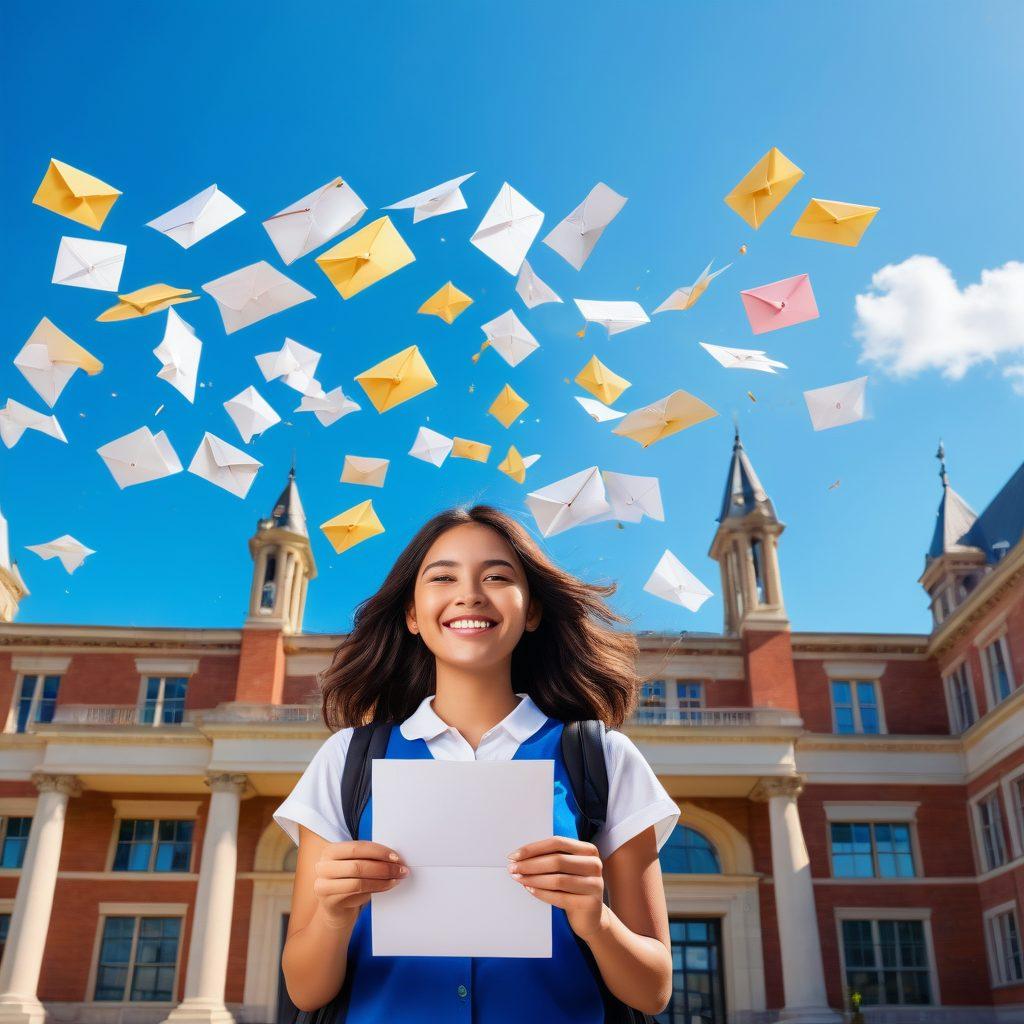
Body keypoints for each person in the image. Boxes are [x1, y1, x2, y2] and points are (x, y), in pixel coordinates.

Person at [272, 504, 679, 1021]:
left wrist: (595, 919)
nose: (470, 593)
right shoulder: (347, 760)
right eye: (443, 576)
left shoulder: (603, 757)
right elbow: (306, 991)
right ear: (412, 615)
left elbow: (653, 991)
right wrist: (333, 914)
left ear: (531, 610)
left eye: (496, 576)